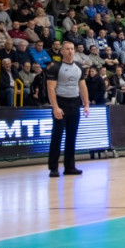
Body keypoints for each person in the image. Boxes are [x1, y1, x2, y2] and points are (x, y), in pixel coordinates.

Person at [45, 40, 90, 177]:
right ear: (62, 51)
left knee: (72, 136)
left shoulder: (79, 67)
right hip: (61, 103)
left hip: (74, 103)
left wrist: (86, 104)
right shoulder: (55, 68)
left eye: (72, 48)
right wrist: (55, 107)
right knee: (57, 136)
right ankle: (53, 168)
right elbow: (51, 89)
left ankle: (70, 167)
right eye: (67, 49)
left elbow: (82, 86)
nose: (70, 51)